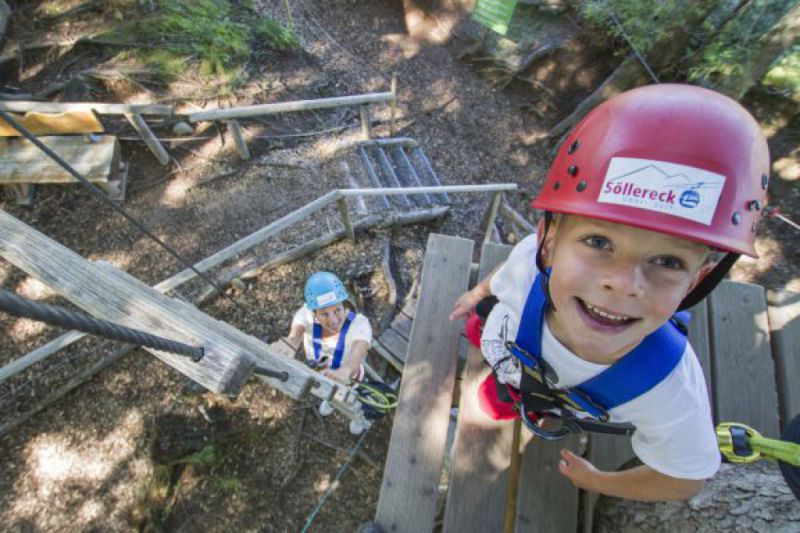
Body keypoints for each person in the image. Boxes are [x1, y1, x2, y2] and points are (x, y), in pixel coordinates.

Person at [450, 84, 770, 502]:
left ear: (695, 281)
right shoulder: (530, 262)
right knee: (489, 348)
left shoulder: (670, 391)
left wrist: (597, 481)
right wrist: (478, 293)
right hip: (510, 341)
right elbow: (510, 270)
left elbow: (684, 478)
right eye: (599, 242)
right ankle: (495, 373)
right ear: (548, 242)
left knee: (506, 397)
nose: (624, 284)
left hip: (551, 394)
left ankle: (506, 397)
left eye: (668, 262)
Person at [283, 271, 373, 434]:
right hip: (322, 375)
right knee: (328, 394)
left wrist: (345, 370)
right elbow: (296, 331)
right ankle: (330, 402)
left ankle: (358, 419)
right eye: (324, 314)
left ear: (343, 304)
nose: (333, 320)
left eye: (337, 310)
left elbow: (359, 350)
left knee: (354, 402)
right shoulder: (307, 315)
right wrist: (290, 343)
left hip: (350, 380)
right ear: (314, 312)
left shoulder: (359, 324)